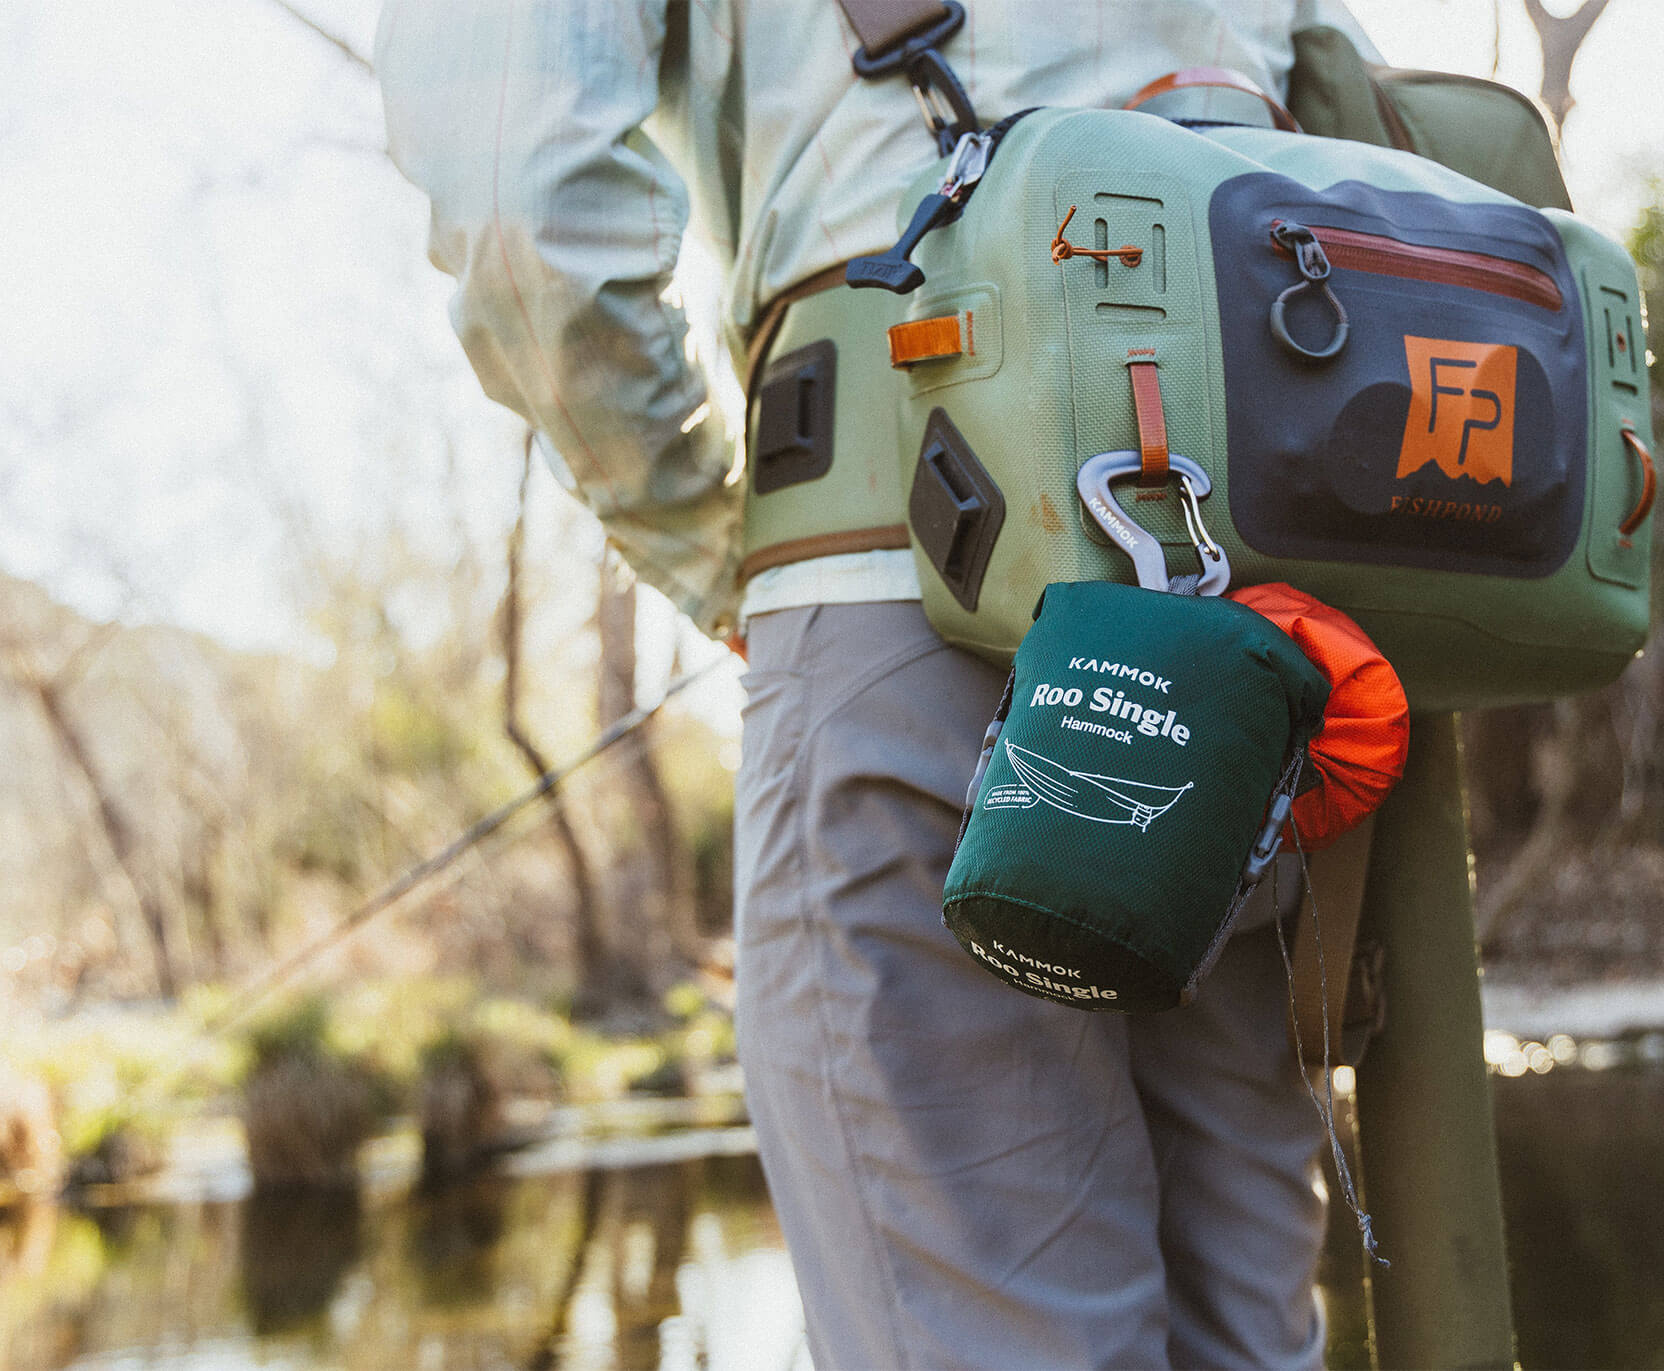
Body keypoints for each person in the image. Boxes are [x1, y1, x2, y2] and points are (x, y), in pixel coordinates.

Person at [376, 4, 1381, 1365]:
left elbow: (516, 202)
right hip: (1258, 637)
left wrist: (702, 541)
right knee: (1247, 1337)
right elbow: (1357, 114)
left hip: (895, 580)